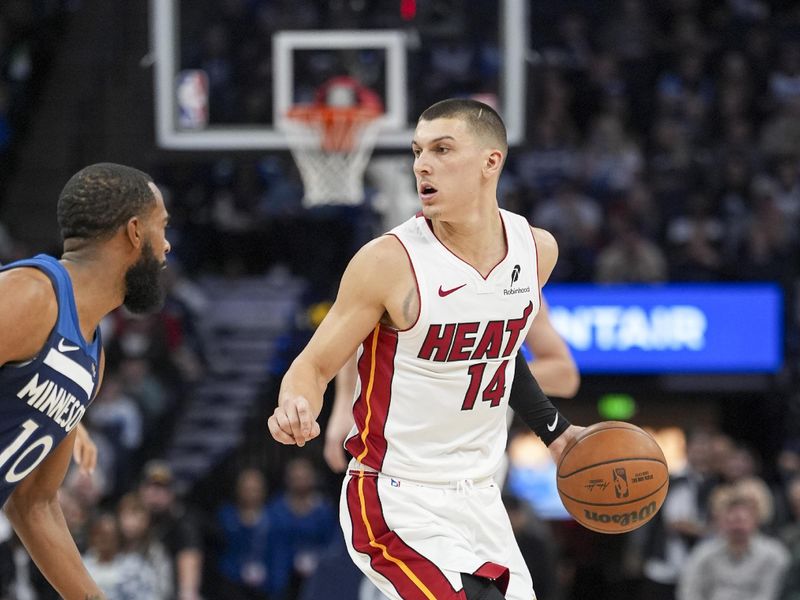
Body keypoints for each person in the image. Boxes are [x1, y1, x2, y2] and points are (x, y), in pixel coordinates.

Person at [269, 99, 583, 600]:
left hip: (480, 497)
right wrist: (296, 403)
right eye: (418, 151)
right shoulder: (388, 261)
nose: (422, 164)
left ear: (490, 162)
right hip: (394, 496)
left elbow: (501, 356)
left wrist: (555, 431)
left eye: (441, 149)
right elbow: (312, 365)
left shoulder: (535, 249)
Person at [0, 162, 171, 600]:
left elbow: (34, 502)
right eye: (162, 228)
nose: (167, 246)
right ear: (135, 232)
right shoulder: (30, 295)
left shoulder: (90, 363)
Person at [324, 298, 580, 474]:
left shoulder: (518, 279)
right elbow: (356, 327)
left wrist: (477, 372)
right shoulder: (403, 264)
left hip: (481, 459)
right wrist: (344, 404)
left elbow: (565, 376)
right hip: (408, 453)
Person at [677, 483, 789, 600]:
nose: (737, 527)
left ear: (755, 520)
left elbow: (769, 594)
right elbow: (689, 591)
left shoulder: (773, 555)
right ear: (720, 522)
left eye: (741, 520)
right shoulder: (703, 554)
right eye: (731, 521)